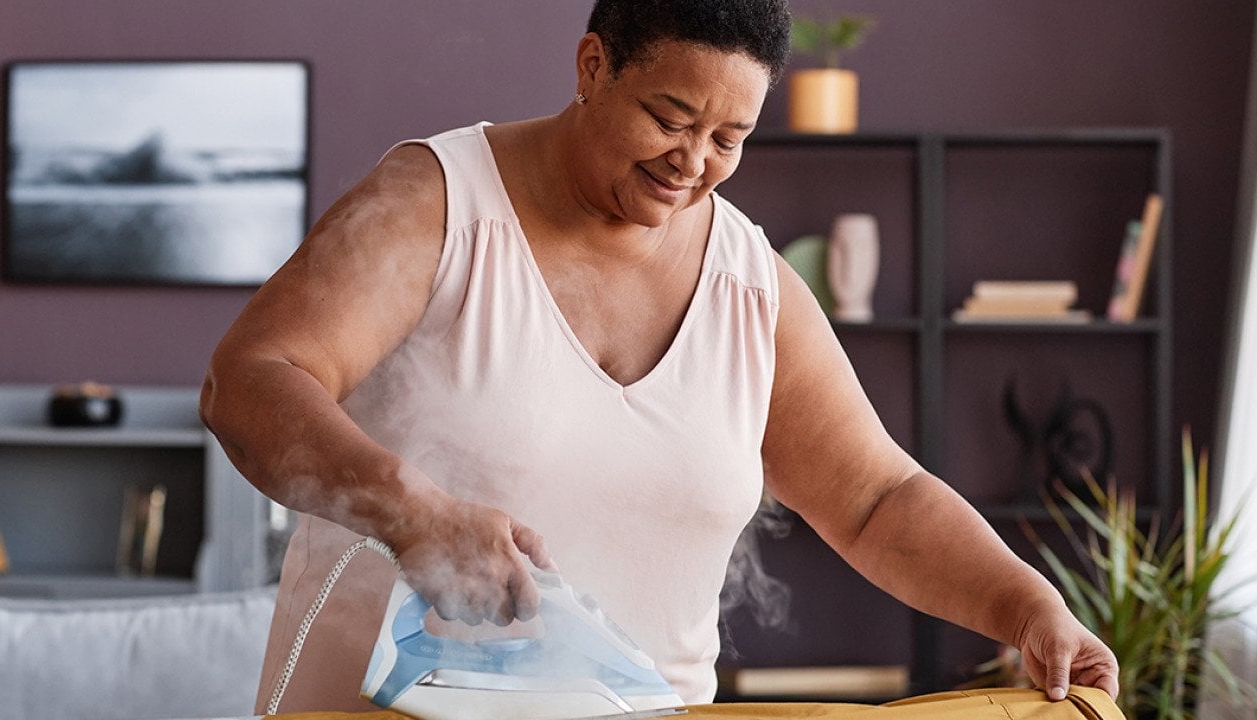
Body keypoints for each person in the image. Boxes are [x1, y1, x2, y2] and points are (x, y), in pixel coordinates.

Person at [200, 0, 1119, 714]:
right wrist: (412, 514)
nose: (695, 162)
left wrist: (1025, 606)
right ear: (593, 65)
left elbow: (878, 501)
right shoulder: (438, 206)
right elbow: (249, 381)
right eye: (671, 118)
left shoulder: (749, 285)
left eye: (731, 138)